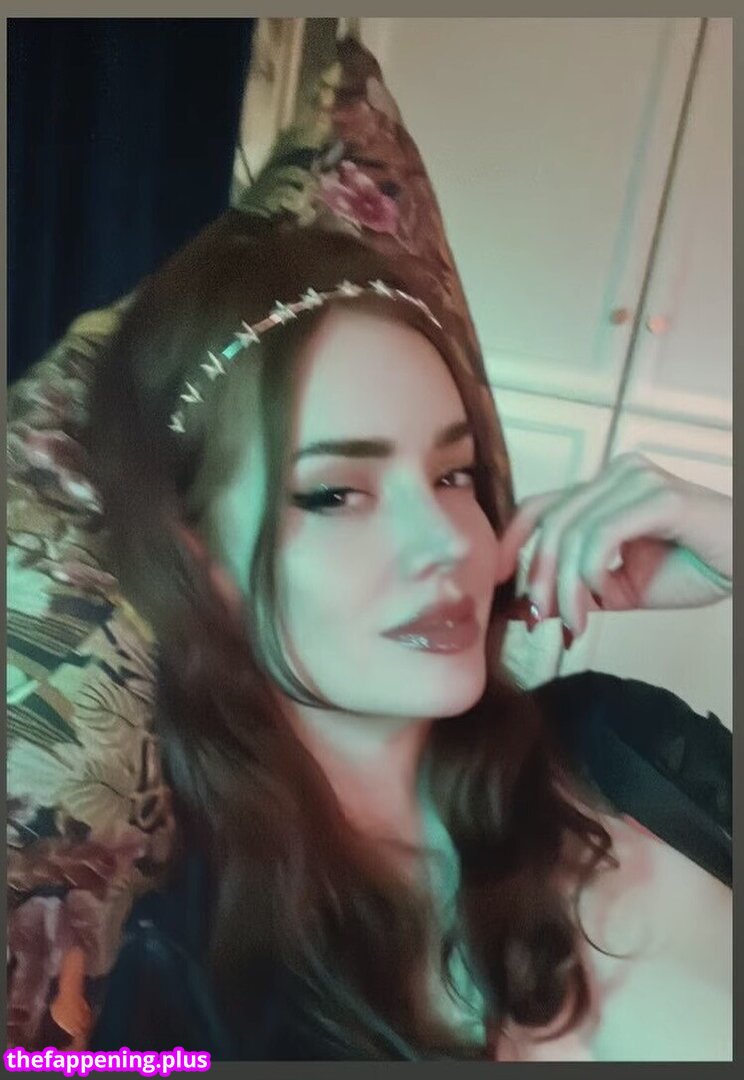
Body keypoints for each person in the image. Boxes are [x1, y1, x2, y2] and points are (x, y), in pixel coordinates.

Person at [87, 209, 732, 1061]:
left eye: (453, 475)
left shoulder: (624, 741)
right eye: (335, 495)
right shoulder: (182, 989)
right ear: (198, 557)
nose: (449, 542)